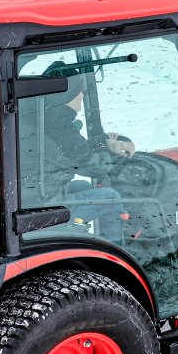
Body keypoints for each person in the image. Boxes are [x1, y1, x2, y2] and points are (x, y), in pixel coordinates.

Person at [41, 75, 135, 241]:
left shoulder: (49, 118)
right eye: (79, 91)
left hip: (38, 194)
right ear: (67, 95)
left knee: (83, 186)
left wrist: (105, 142)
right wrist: (112, 154)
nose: (83, 96)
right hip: (43, 204)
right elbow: (94, 168)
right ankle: (114, 250)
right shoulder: (59, 125)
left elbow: (76, 148)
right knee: (111, 198)